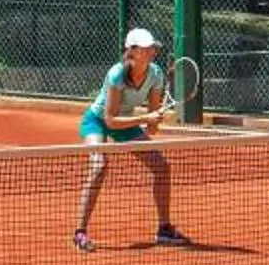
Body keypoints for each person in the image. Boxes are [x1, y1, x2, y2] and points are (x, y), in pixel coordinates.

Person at [73, 27, 192, 252]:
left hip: (126, 122)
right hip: (98, 120)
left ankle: (164, 229)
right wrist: (146, 117)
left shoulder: (155, 74)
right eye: (145, 48)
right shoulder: (116, 74)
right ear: (132, 51)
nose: (150, 51)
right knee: (99, 166)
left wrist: (154, 120)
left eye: (151, 47)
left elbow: (152, 126)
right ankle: (80, 232)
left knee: (161, 167)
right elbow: (109, 120)